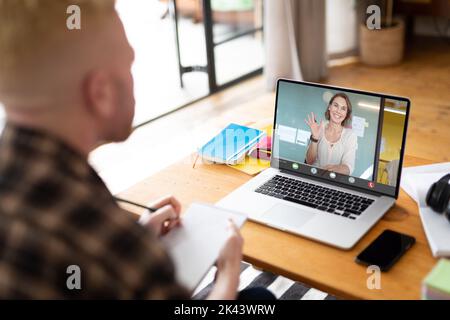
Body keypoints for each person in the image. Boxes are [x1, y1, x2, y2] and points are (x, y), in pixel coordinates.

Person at [0, 0, 245, 299]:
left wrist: (134, 237)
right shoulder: (104, 236)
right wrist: (229, 271)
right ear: (101, 94)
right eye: (129, 64)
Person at [304, 93, 357, 176]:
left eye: (343, 108)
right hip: (313, 178)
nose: (338, 111)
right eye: (336, 105)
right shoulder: (319, 127)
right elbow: (309, 162)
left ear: (346, 114)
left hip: (334, 182)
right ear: (329, 107)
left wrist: (331, 170)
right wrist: (315, 137)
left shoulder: (350, 135)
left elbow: (348, 168)